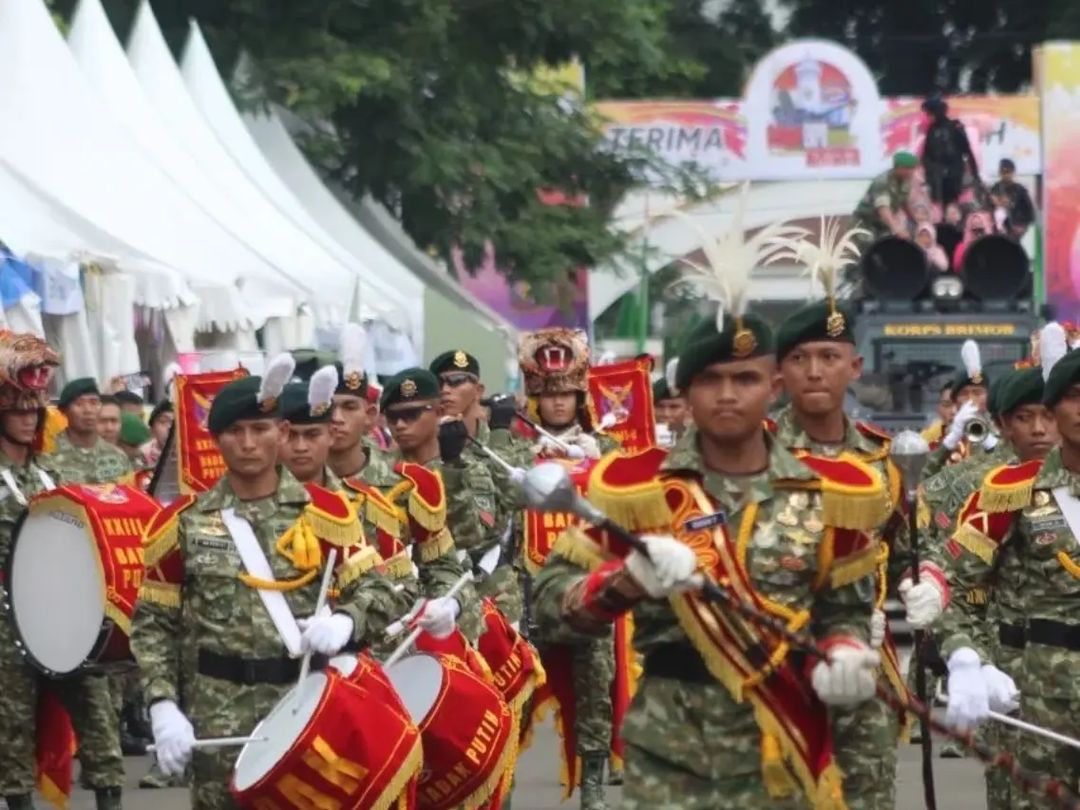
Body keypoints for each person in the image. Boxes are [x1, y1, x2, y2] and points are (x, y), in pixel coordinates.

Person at [532, 307, 884, 809]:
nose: (726, 395)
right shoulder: (636, 487)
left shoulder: (826, 490)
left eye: (745, 378)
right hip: (670, 753)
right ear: (685, 391)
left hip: (783, 748)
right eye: (709, 379)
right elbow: (550, 605)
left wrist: (845, 650)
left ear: (774, 385)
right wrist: (624, 581)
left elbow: (844, 609)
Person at [130, 356, 407, 810]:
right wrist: (162, 705)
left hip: (304, 706)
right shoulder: (181, 523)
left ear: (280, 432)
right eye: (235, 432)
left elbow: (379, 591)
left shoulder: (327, 512)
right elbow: (154, 624)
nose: (248, 443)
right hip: (217, 719)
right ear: (216, 439)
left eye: (260, 430)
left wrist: (345, 620)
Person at [772, 266, 922, 809]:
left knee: (868, 796)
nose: (815, 372)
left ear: (854, 368)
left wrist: (928, 590)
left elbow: (912, 556)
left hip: (862, 665)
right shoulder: (752, 455)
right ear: (779, 373)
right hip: (771, 663)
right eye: (800, 359)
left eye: (830, 358)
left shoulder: (886, 460)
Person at [938, 336, 1080, 810]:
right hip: (1044, 703)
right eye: (1073, 397)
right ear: (1055, 409)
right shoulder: (1011, 491)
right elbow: (949, 582)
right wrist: (968, 658)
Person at [0, 333, 124, 810]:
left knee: (97, 717)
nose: (30, 418)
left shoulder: (53, 474)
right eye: (18, 410)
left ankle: (110, 800)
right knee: (13, 729)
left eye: (35, 411)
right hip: (7, 623)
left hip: (64, 617)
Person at [429, 349, 518, 619]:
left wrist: (501, 432)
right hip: (440, 582)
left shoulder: (501, 443)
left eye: (456, 381)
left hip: (494, 580)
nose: (446, 390)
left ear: (478, 390)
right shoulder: (424, 444)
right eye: (439, 383)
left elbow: (515, 494)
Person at [327, 324, 385, 481]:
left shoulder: (397, 483)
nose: (337, 418)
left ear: (370, 415)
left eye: (349, 407)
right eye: (328, 408)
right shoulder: (296, 486)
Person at [49, 378, 132, 484]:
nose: (88, 410)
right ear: (64, 411)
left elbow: (129, 495)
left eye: (94, 403)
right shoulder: (49, 453)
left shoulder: (117, 456)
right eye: (79, 404)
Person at [279, 366, 339, 486]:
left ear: (332, 435)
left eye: (312, 435)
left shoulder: (357, 501)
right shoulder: (247, 501)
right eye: (290, 435)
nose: (300, 448)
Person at [921, 95, 979, 206]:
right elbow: (926, 154)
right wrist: (930, 172)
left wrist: (975, 173)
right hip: (937, 177)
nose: (929, 116)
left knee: (952, 205)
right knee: (938, 206)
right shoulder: (931, 130)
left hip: (954, 175)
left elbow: (967, 151)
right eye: (928, 113)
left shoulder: (955, 127)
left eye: (930, 113)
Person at [852, 151, 919, 240]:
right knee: (867, 249)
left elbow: (904, 202)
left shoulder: (905, 181)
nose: (911, 172)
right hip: (865, 223)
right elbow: (883, 209)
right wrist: (897, 229)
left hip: (882, 224)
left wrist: (916, 220)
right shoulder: (883, 182)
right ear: (898, 168)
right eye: (908, 168)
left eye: (912, 168)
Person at [989, 158, 1036, 240]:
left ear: (1013, 172)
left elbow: (1030, 211)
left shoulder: (1020, 190)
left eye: (1008, 172)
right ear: (999, 172)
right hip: (998, 231)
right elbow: (989, 208)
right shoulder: (995, 189)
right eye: (1003, 172)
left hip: (1015, 228)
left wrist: (1022, 227)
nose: (1006, 175)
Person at [145, 399, 173, 468]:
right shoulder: (141, 457)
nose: (170, 427)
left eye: (175, 423)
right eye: (163, 421)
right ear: (152, 430)